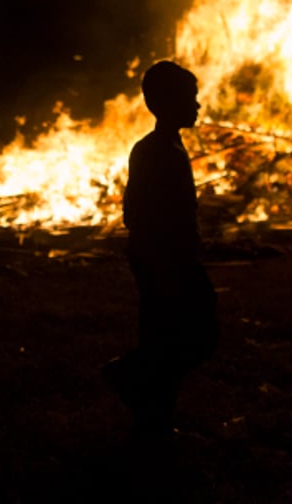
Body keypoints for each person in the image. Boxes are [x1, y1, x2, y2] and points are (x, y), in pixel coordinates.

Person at [104, 60, 218, 441]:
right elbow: (135, 208)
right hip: (164, 260)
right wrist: (163, 256)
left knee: (171, 339)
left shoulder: (167, 146)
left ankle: (152, 411)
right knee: (187, 336)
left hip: (167, 257)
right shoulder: (157, 151)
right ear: (165, 103)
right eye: (191, 99)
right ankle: (134, 383)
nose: (198, 106)